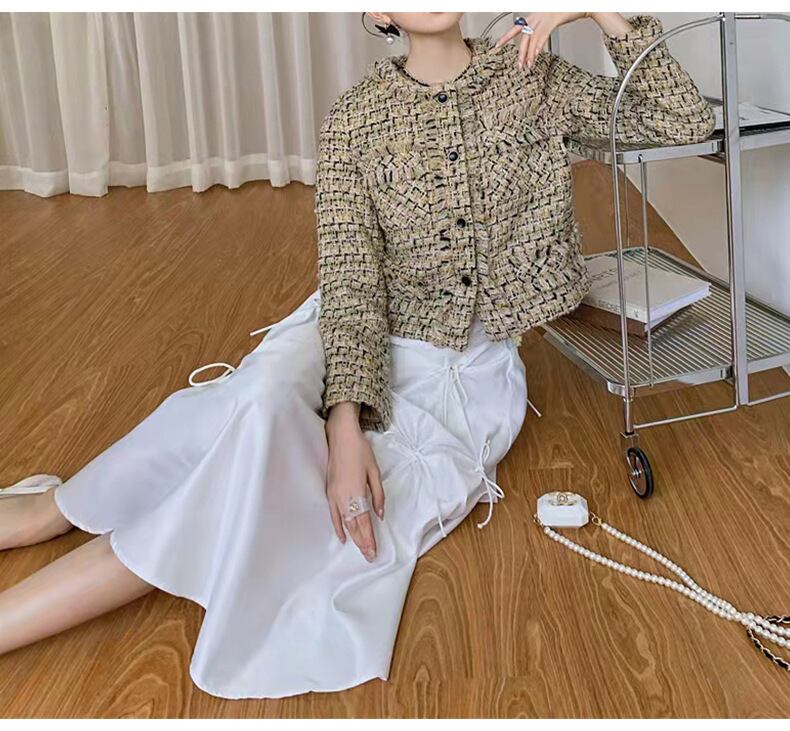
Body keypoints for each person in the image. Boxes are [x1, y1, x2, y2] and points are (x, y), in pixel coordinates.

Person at [0, 12, 715, 699]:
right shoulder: (355, 118)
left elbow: (683, 120)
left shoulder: (535, 78)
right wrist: (347, 422)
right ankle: (57, 510)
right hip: (346, 331)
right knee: (257, 402)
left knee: (284, 491)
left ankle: (39, 557)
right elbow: (350, 280)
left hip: (458, 378)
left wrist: (595, 10)